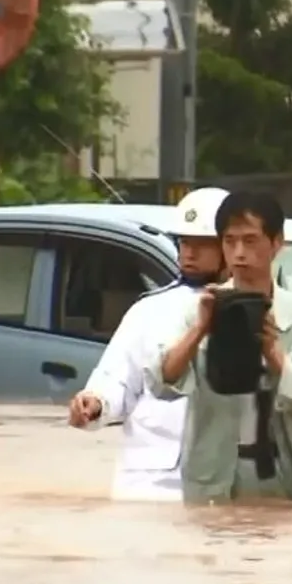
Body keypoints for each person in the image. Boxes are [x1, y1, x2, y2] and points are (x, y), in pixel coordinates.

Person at [144, 190, 292, 507]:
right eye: (230, 242)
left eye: (250, 241)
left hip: (281, 480)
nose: (239, 253)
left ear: (277, 243)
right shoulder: (197, 310)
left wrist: (275, 355)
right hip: (211, 482)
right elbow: (160, 382)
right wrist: (201, 330)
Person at [66, 187, 229, 502]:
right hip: (149, 486)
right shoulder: (149, 310)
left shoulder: (259, 308)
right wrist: (95, 403)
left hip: (221, 485)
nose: (188, 253)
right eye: (183, 242)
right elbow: (115, 379)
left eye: (201, 244)